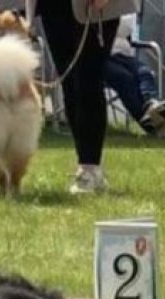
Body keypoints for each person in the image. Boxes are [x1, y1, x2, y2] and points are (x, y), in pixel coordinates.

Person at [33, 0, 137, 195]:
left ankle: (90, 167)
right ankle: (86, 163)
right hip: (53, 7)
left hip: (97, 8)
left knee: (88, 80)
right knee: (70, 84)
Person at [104, 11, 165, 134]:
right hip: (98, 56)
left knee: (145, 73)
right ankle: (153, 124)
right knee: (125, 78)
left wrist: (109, 21)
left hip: (123, 53)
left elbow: (126, 27)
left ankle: (151, 103)